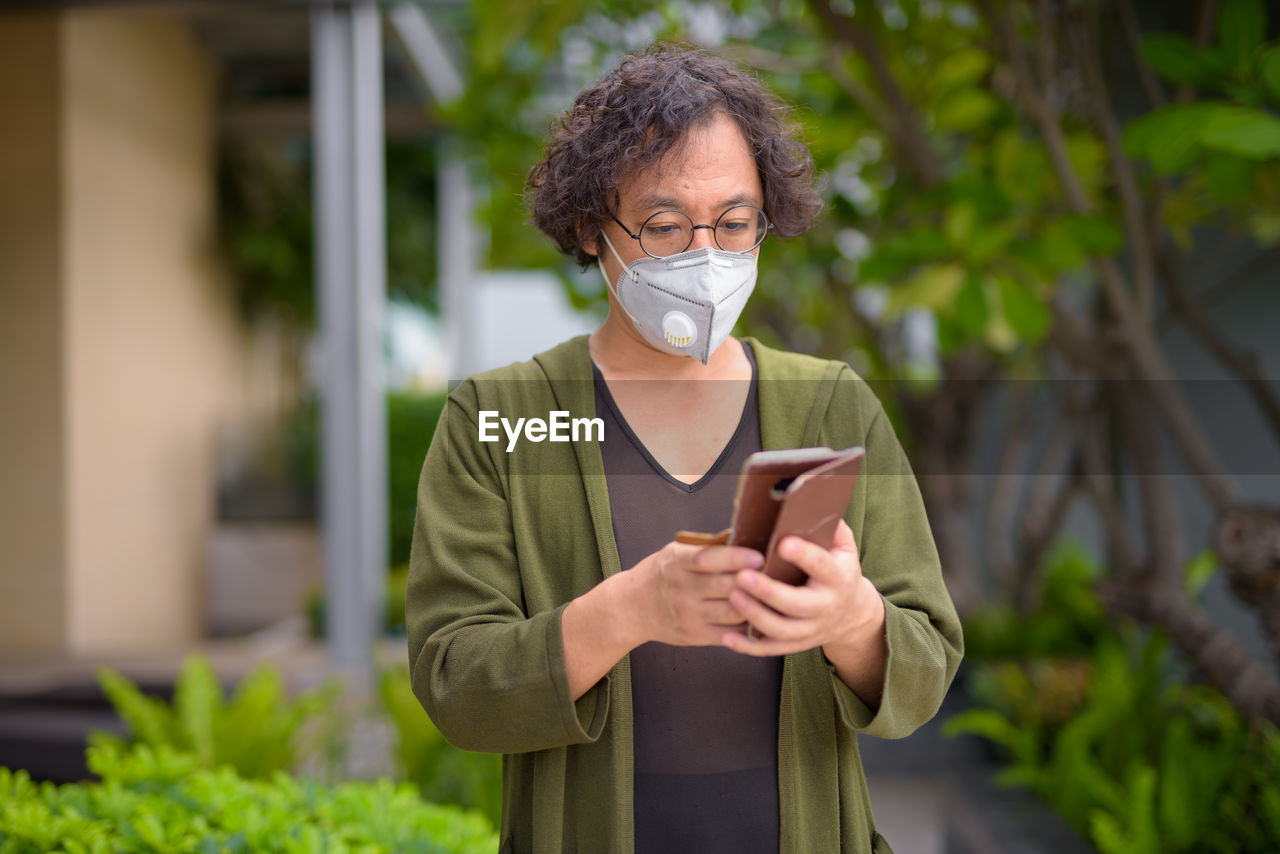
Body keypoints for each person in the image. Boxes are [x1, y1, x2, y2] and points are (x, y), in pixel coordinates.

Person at [407, 45, 963, 854]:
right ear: (593, 229)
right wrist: (631, 611)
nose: (707, 258)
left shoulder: (829, 404)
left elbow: (926, 666)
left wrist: (850, 617)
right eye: (665, 226)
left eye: (735, 224)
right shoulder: (503, 418)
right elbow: (456, 682)